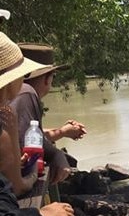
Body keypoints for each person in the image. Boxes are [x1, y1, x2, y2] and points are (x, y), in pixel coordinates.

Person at [9, 43, 86, 185]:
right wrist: (55, 154)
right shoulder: (26, 92)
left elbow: (27, 134)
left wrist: (63, 132)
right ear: (47, 78)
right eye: (53, 76)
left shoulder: (17, 94)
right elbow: (25, 143)